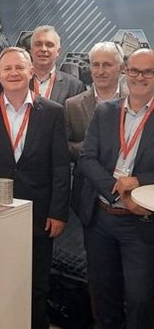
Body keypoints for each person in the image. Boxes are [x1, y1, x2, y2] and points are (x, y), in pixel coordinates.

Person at [0, 46, 70, 329]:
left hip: (38, 214)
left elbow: (61, 167)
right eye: (7, 68)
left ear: (31, 71)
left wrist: (58, 212)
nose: (13, 73)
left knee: (36, 283)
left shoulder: (53, 112)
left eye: (19, 67)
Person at [78, 48, 154, 329]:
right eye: (134, 70)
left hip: (141, 225)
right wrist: (117, 189)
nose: (139, 77)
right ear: (125, 71)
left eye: (148, 72)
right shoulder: (106, 111)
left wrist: (139, 181)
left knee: (139, 300)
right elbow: (87, 158)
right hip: (101, 219)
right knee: (103, 296)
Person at [65, 41, 126, 212]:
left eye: (107, 65)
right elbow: (63, 147)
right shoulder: (73, 105)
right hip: (86, 197)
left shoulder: (136, 101)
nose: (100, 71)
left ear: (121, 68)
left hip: (128, 194)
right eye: (95, 65)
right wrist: (90, 148)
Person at [30, 25, 85, 105]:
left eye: (49, 45)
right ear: (31, 50)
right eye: (38, 44)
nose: (43, 49)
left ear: (58, 51)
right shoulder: (17, 81)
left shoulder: (74, 86)